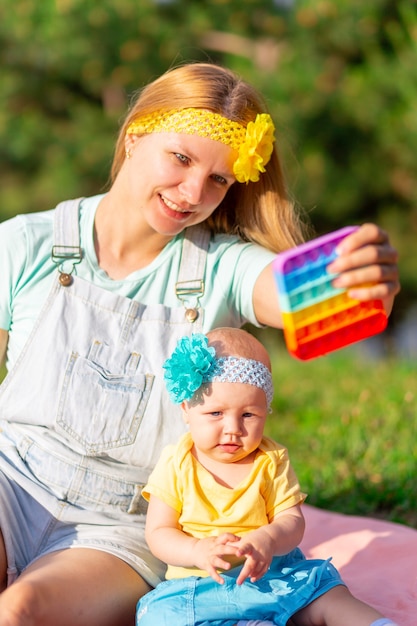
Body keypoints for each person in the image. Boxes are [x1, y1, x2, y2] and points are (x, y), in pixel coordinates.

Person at [0, 61, 400, 626]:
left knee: (18, 611)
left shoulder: (221, 268)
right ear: (136, 133)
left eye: (219, 180)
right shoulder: (24, 243)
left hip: (124, 524)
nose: (193, 193)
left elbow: (288, 295)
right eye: (181, 159)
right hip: (10, 479)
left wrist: (356, 291)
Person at [136, 327, 398, 626]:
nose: (233, 428)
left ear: (266, 411)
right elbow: (158, 533)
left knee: (327, 594)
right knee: (160, 616)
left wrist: (268, 539)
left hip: (273, 577)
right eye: (216, 414)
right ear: (186, 408)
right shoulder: (176, 462)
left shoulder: (271, 460)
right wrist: (196, 549)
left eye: (248, 415)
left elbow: (292, 521)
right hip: (202, 586)